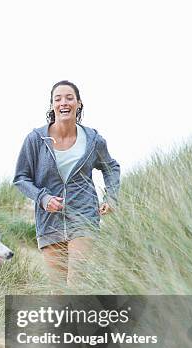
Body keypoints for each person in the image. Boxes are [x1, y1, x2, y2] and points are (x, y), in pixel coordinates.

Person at [13, 80, 120, 291]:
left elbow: (111, 167)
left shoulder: (92, 140)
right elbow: (21, 178)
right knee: (58, 288)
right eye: (58, 98)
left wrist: (111, 197)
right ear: (52, 105)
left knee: (76, 281)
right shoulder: (36, 139)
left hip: (84, 215)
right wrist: (43, 199)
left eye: (69, 98)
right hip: (49, 221)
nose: (64, 102)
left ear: (78, 103)